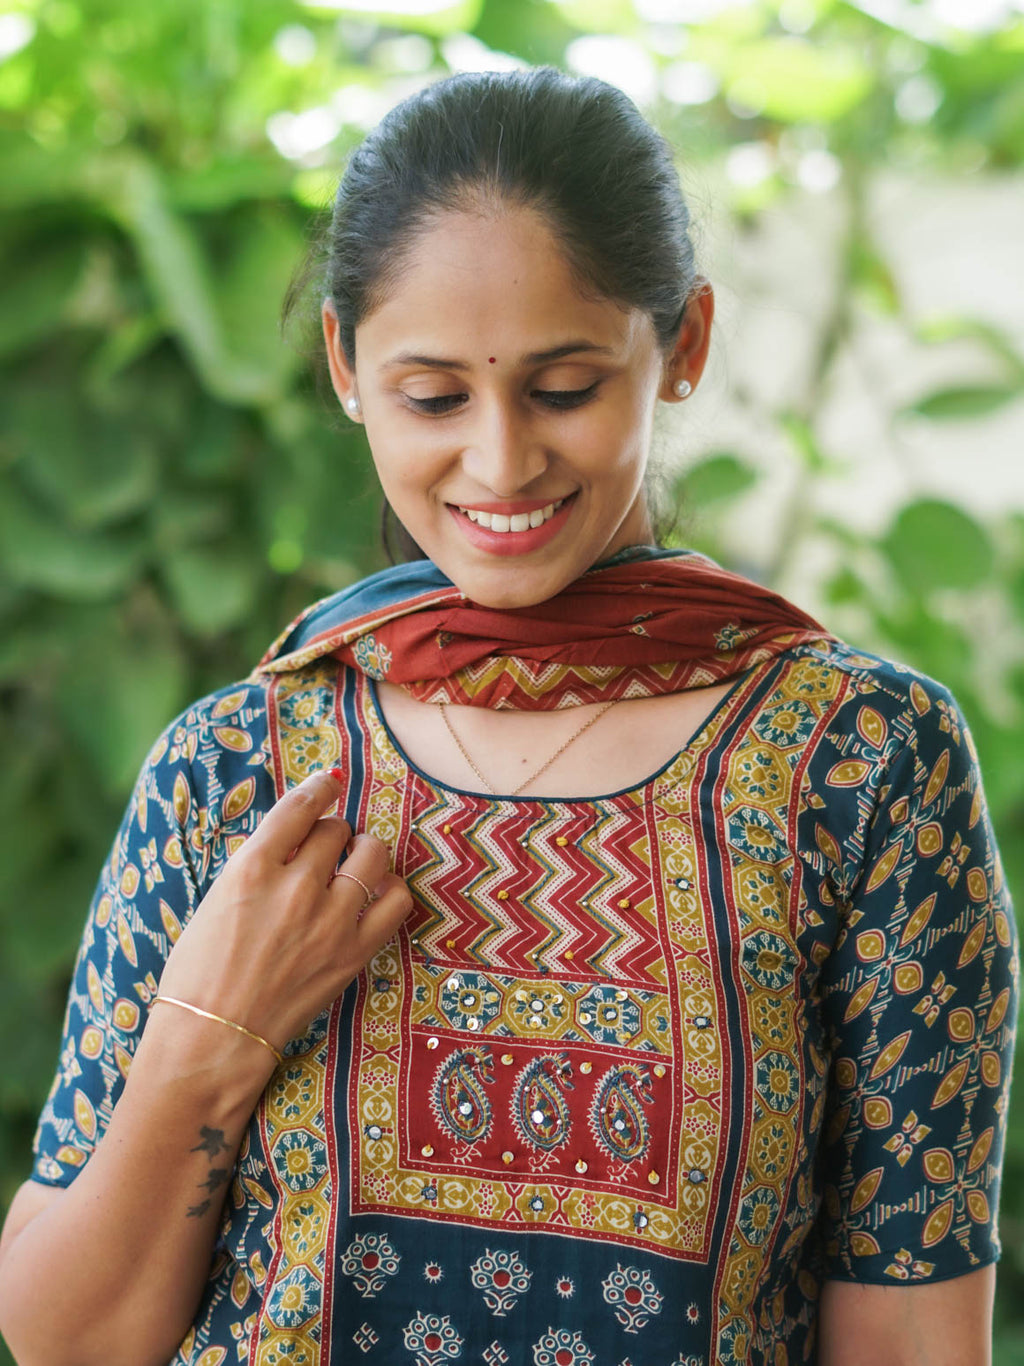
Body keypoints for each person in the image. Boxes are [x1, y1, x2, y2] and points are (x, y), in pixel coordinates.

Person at [0, 66, 1015, 1366]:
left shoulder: (858, 765)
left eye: (565, 387)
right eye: (434, 396)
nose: (500, 462)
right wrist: (213, 1036)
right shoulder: (237, 769)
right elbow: (69, 1341)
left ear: (684, 345)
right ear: (344, 364)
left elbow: (913, 1333)